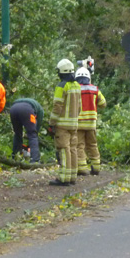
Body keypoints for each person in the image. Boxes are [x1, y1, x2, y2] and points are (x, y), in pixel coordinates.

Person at [47, 58, 80, 186]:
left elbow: (57, 106)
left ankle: (64, 178)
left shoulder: (62, 86)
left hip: (62, 125)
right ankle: (72, 177)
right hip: (74, 124)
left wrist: (52, 123)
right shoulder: (76, 85)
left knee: (63, 149)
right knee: (73, 149)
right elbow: (80, 106)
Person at [74, 67, 107, 176]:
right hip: (91, 124)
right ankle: (96, 167)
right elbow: (103, 104)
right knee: (92, 144)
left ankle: (82, 169)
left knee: (79, 145)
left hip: (78, 123)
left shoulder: (75, 89)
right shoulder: (95, 89)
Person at [9, 97, 44, 163]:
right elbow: (36, 128)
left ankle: (15, 158)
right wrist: (31, 144)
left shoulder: (34, 105)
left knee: (17, 134)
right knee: (33, 135)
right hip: (27, 110)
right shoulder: (40, 111)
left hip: (13, 109)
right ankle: (35, 160)